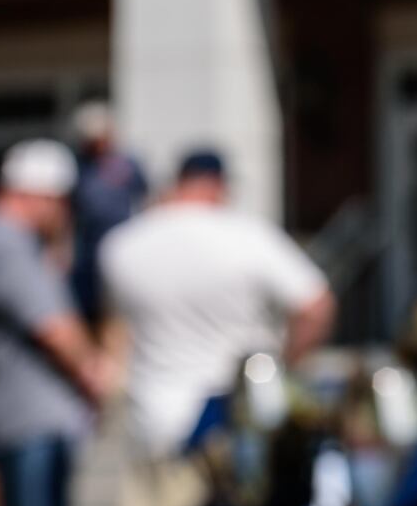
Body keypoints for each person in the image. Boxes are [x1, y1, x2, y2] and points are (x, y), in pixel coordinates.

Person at [99, 149, 335, 460]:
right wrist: (284, 366)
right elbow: (317, 306)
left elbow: (114, 330)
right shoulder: (247, 235)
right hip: (235, 415)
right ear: (219, 185)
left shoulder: (120, 244)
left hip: (153, 415)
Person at [0, 140, 110, 506]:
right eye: (61, 201)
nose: (66, 212)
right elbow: (54, 328)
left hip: (30, 418)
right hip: (30, 421)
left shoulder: (16, 242)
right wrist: (93, 372)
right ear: (36, 196)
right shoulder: (5, 243)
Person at [68, 102, 148, 327]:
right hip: (88, 252)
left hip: (125, 245)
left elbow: (145, 199)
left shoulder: (128, 164)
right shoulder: (78, 165)